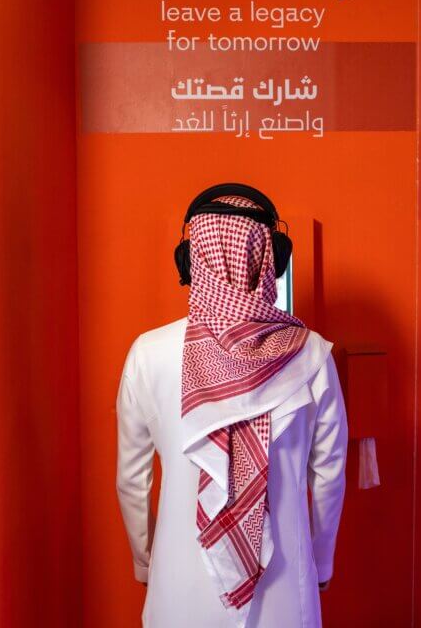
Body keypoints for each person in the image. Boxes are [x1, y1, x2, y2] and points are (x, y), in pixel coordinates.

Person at [115, 183, 348, 628]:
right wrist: (321, 563)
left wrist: (146, 562)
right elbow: (328, 476)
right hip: (287, 592)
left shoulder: (148, 353)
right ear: (272, 259)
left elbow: (132, 480)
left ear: (189, 260)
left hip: (177, 587)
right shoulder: (313, 355)